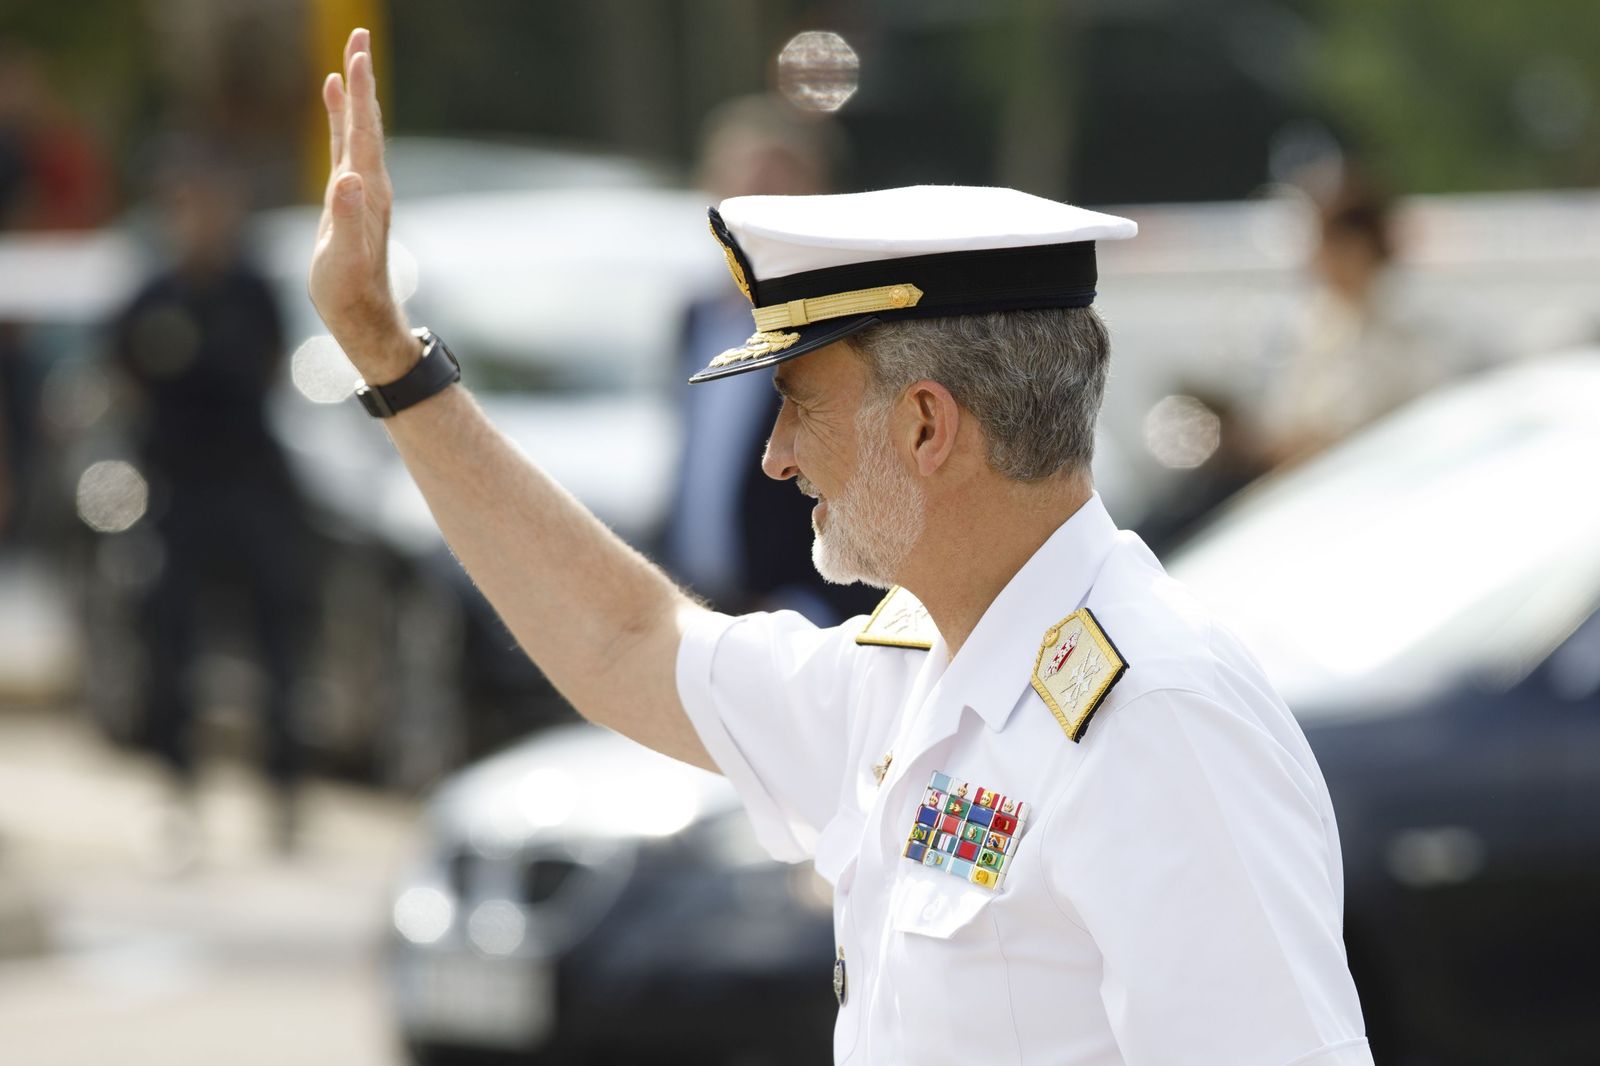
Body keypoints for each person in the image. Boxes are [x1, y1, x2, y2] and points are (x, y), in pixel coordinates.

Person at [310, 29, 1371, 1065]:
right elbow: (627, 640)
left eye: (798, 405)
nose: (774, 457)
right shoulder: (915, 667)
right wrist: (389, 359)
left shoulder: (1157, 718)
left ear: (923, 426)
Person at [111, 141, 314, 859]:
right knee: (171, 649)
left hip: (249, 484)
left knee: (277, 643)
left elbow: (266, 371)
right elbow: (125, 378)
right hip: (178, 490)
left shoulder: (252, 291)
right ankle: (177, 794)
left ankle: (284, 794)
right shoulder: (152, 295)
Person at [662, 94, 876, 624]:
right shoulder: (695, 316)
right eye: (741, 187)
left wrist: (810, 604)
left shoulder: (842, 326)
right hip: (700, 603)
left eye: (778, 187)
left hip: (801, 615)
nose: (756, 208)